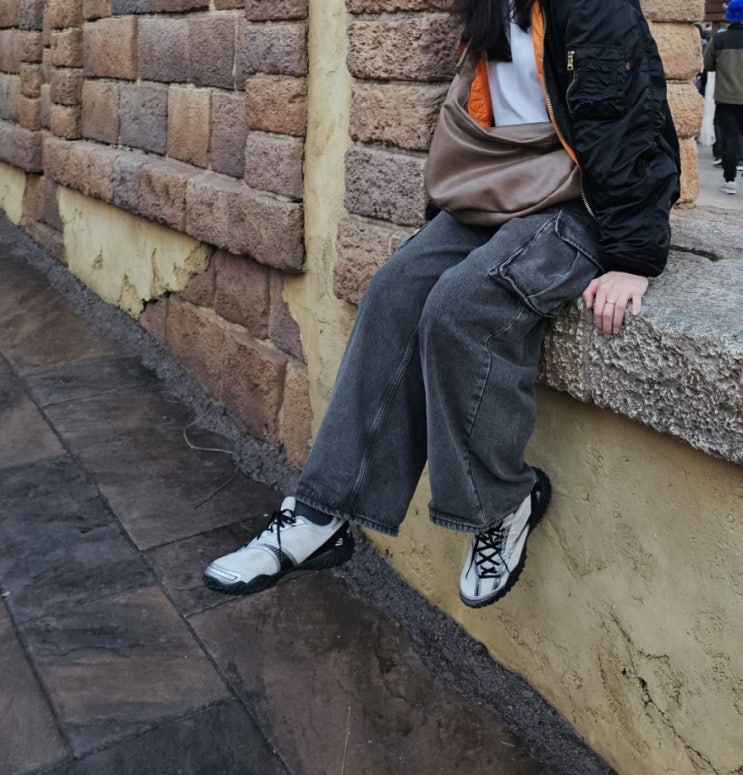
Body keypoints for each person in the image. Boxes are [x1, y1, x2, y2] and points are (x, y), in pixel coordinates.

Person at [203, 0, 680, 608]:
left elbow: (628, 121)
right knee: (394, 289)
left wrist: (634, 256)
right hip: (504, 190)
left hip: (584, 204)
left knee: (461, 307)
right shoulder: (490, 4)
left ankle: (503, 503)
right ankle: (322, 513)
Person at [704, 0, 743, 194]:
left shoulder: (719, 39)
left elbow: (708, 65)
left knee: (728, 138)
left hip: (726, 98)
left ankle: (730, 180)